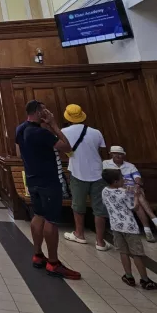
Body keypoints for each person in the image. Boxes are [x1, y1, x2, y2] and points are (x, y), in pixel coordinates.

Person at [15, 101, 80, 280]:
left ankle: (38, 254)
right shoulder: (42, 133)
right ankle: (53, 262)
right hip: (48, 181)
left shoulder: (20, 129)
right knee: (51, 220)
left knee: (38, 215)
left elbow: (19, 154)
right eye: (44, 110)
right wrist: (54, 125)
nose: (47, 112)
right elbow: (67, 148)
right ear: (38, 112)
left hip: (32, 179)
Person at [60, 104, 109, 251]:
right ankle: (100, 241)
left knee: (78, 205)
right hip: (97, 172)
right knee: (99, 208)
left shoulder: (63, 132)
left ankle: (79, 234)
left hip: (77, 172)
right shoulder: (96, 132)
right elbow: (101, 149)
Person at [101, 168, 157, 290]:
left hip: (116, 226)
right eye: (122, 178)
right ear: (116, 181)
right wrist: (136, 195)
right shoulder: (124, 193)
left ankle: (128, 276)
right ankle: (145, 280)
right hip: (130, 227)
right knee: (137, 254)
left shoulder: (104, 191)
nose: (124, 180)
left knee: (123, 252)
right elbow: (134, 207)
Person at [103, 146, 157, 241]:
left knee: (138, 195)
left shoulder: (130, 165)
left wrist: (136, 184)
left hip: (132, 190)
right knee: (138, 197)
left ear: (123, 155)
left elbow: (137, 178)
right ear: (111, 154)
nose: (118, 155)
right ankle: (155, 223)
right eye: (115, 153)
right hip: (118, 190)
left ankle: (148, 230)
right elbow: (107, 180)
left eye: (120, 154)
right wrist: (125, 187)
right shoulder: (106, 164)